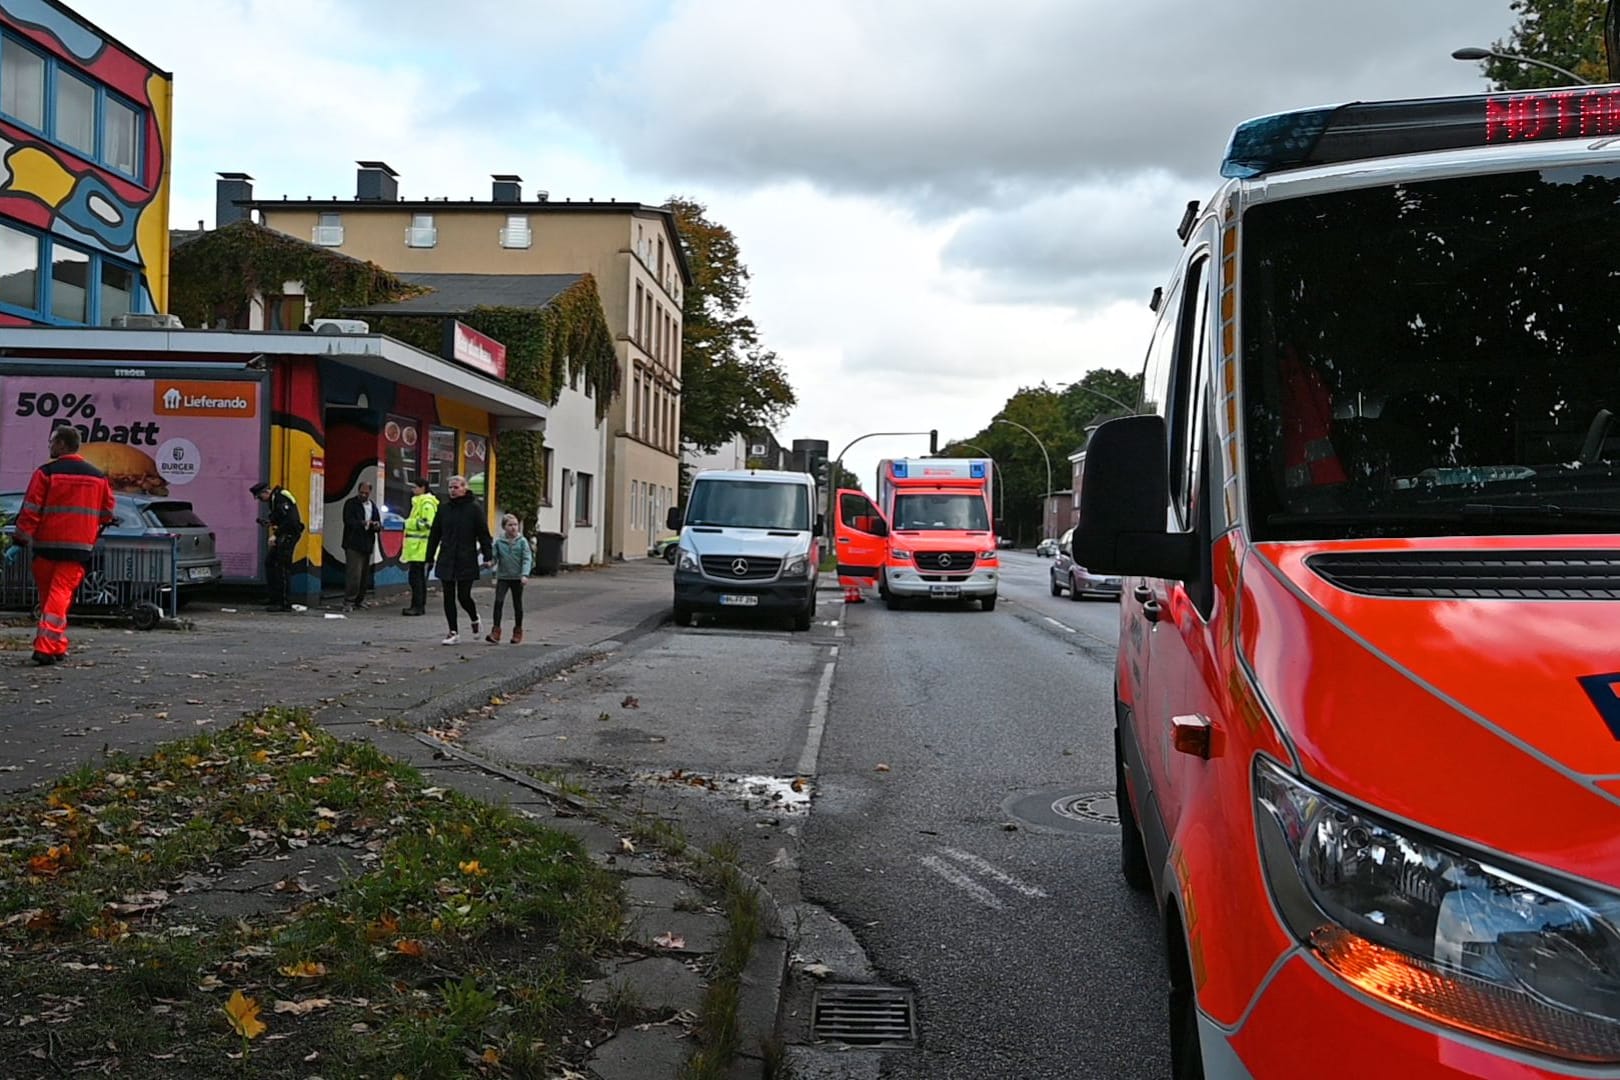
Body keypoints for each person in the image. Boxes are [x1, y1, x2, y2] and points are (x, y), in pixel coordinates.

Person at [11, 425, 115, 666]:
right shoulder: (98, 477)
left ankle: (49, 646)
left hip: (46, 546)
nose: (49, 446)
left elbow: (30, 510)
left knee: (50, 596)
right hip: (78, 548)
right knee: (59, 597)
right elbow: (108, 511)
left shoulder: (46, 473)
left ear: (62, 444)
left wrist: (19, 540)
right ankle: (53, 645)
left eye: (52, 442)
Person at [424, 474, 491, 645]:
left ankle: (474, 617)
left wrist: (488, 556)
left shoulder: (474, 509)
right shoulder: (444, 509)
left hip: (466, 558)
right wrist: (429, 557)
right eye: (450, 488)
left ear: (464, 488)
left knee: (463, 596)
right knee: (448, 595)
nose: (453, 491)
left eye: (456, 487)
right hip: (447, 556)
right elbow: (435, 534)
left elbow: (483, 534)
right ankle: (453, 632)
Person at [250, 480, 304, 612]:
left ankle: (284, 603)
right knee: (270, 563)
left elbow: (291, 520)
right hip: (284, 534)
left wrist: (276, 534)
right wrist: (270, 523)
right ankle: (274, 597)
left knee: (283, 567)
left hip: (289, 535)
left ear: (266, 492)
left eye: (260, 497)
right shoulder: (274, 499)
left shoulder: (281, 497)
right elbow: (280, 517)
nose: (260, 500)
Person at [486, 514, 533, 644]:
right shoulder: (500, 542)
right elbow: (495, 557)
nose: (513, 528)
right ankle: (496, 630)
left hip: (517, 578)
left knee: (517, 604)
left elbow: (527, 559)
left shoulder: (522, 542)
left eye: (515, 525)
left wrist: (524, 574)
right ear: (504, 527)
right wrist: (491, 562)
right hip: (503, 577)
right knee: (498, 602)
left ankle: (518, 630)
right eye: (510, 525)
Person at [341, 480, 382, 610]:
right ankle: (349, 601)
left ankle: (360, 599)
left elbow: (377, 521)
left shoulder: (372, 506)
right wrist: (363, 523)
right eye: (361, 492)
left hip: (367, 543)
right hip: (353, 543)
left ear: (370, 492)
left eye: (366, 492)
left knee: (364, 575)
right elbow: (348, 521)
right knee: (354, 574)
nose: (363, 495)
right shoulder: (351, 504)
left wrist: (376, 526)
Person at [401, 478, 437, 616]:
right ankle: (417, 606)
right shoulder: (420, 502)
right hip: (419, 549)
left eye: (415, 487)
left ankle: (418, 607)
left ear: (423, 488)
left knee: (417, 580)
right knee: (417, 579)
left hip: (421, 549)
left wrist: (408, 523)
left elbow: (428, 523)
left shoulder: (426, 503)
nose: (412, 490)